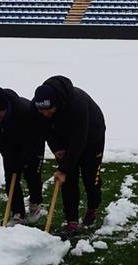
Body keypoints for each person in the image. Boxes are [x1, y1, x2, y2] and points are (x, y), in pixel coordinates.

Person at [32, 75, 105, 239]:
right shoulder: (38, 107)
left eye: (48, 110)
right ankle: (71, 221)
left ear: (57, 103)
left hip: (92, 136)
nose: (45, 114)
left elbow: (79, 140)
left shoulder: (77, 104)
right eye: (41, 111)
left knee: (89, 176)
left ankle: (93, 207)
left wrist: (63, 168)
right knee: (68, 180)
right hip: (63, 137)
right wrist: (57, 148)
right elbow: (44, 129)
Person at [0, 86, 46, 226]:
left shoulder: (25, 111)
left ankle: (35, 204)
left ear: (6, 107)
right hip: (9, 146)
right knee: (10, 177)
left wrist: (23, 160)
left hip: (33, 142)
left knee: (32, 174)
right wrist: (8, 155)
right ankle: (18, 213)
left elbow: (33, 140)